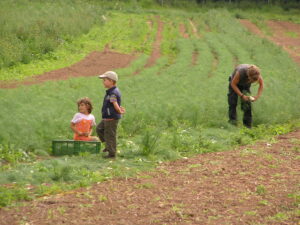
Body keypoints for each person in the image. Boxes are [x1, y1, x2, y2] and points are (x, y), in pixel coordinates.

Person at [96, 71, 125, 158]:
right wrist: (119, 108)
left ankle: (112, 153)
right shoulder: (110, 92)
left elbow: (115, 104)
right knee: (99, 129)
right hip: (106, 117)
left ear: (111, 81)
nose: (103, 82)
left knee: (110, 135)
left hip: (111, 118)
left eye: (105, 80)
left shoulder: (113, 93)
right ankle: (108, 146)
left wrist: (119, 111)